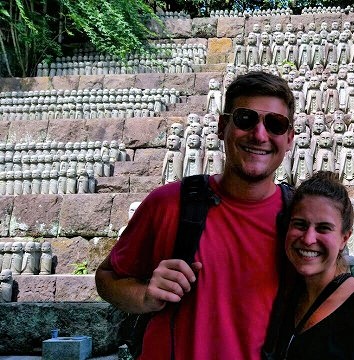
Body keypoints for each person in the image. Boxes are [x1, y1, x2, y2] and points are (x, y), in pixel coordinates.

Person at [95, 71, 296, 360]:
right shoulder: (166, 203)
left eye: (275, 124)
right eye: (245, 119)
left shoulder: (300, 223)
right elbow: (106, 278)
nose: (260, 135)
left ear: (289, 138)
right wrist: (145, 296)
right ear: (222, 125)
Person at [264, 171, 354, 359]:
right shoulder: (287, 299)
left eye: (323, 228)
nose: (308, 239)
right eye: (300, 224)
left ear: (344, 238)